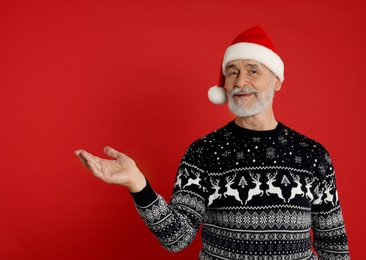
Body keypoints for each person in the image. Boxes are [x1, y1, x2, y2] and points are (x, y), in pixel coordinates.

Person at [75, 26, 349, 260]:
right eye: (232, 72)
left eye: (253, 71)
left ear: (276, 81)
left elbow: (333, 244)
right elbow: (177, 238)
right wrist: (139, 185)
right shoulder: (203, 152)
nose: (241, 81)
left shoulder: (313, 154)